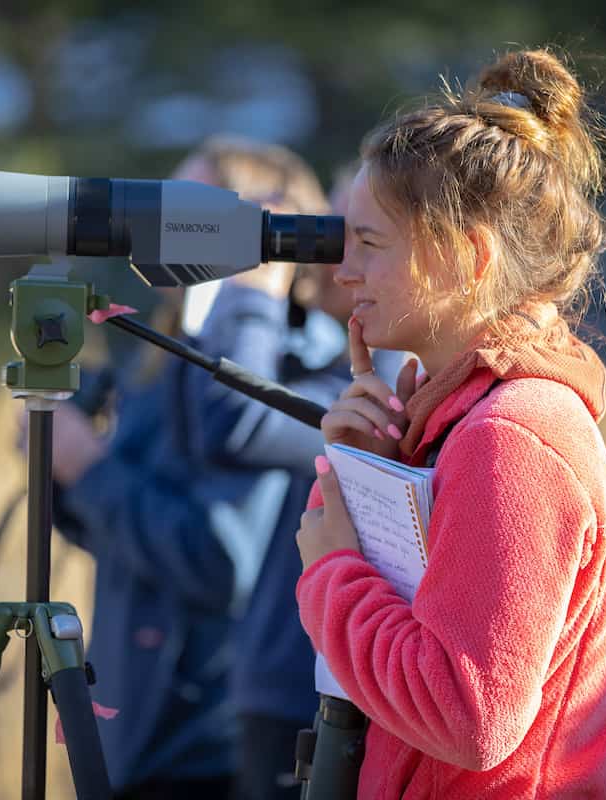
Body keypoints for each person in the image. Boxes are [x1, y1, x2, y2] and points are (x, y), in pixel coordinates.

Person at [292, 48, 606, 798]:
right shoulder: (466, 422)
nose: (342, 271)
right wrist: (372, 477)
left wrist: (331, 573)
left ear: (467, 256)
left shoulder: (509, 438)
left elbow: (468, 715)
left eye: (370, 244)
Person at [44, 136, 333, 799]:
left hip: (205, 740)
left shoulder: (279, 373)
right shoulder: (166, 356)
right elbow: (125, 544)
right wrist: (67, 477)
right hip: (139, 728)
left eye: (181, 209)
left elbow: (220, 561)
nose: (150, 227)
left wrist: (87, 470)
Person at [187, 163, 404, 800]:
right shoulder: (327, 358)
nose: (335, 262)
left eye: (360, 238)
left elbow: (240, 420)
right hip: (277, 683)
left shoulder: (386, 378)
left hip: (312, 693)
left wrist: (254, 285)